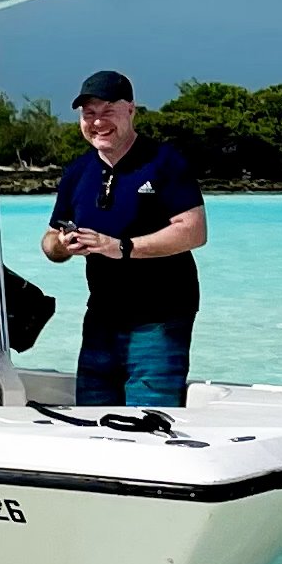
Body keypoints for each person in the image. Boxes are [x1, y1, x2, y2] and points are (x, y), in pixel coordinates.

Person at [40, 68, 205, 406]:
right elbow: (50, 240)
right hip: (101, 318)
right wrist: (62, 245)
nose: (97, 122)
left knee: (149, 422)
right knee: (93, 424)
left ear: (131, 110)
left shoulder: (165, 161)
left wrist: (123, 248)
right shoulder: (77, 172)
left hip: (160, 319)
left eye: (107, 111)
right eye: (89, 114)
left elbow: (193, 230)